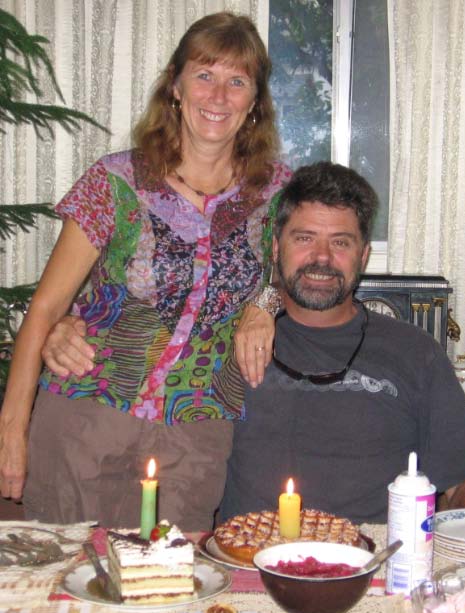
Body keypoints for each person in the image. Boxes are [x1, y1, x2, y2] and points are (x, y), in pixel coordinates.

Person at [0, 12, 291, 531]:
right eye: (204, 75)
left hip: (196, 429)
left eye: (237, 81)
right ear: (175, 86)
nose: (218, 96)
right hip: (87, 413)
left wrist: (263, 307)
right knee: (70, 572)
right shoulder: (115, 181)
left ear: (255, 102)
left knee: (170, 571)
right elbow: (46, 307)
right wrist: (11, 430)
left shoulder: (277, 192)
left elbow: (305, 269)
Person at [216, 161, 465, 524]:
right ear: (276, 248)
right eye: (304, 238)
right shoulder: (227, 342)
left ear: (364, 256)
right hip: (247, 553)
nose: (322, 257)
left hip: (375, 554)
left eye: (340, 242)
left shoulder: (416, 353)